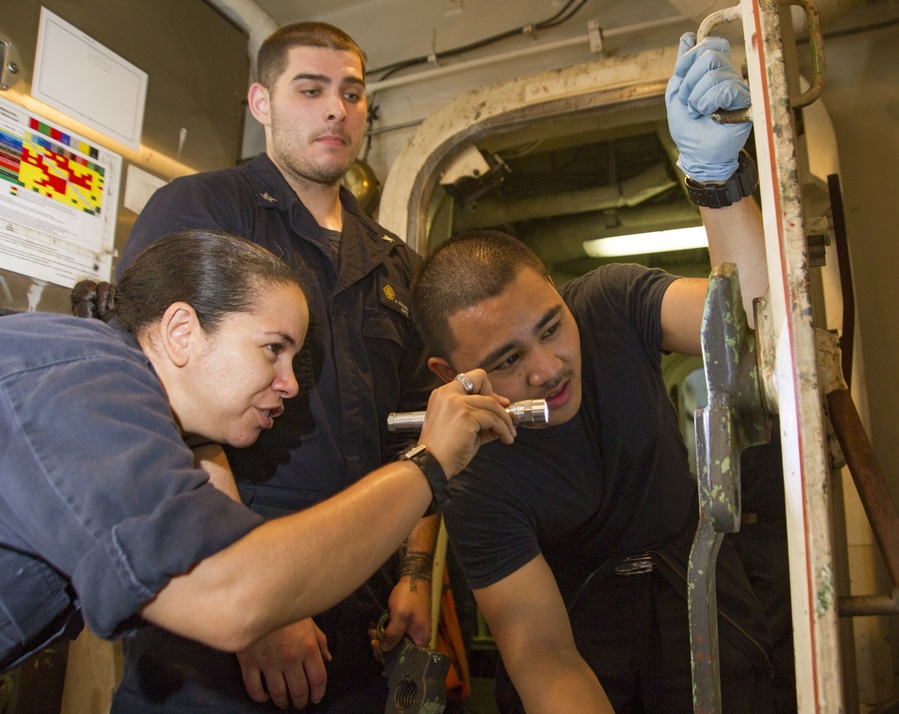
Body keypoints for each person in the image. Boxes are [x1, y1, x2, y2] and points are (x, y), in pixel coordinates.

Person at [409, 33, 774, 713]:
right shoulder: (474, 474)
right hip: (580, 622)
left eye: (551, 325)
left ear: (558, 289)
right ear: (450, 372)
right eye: (508, 360)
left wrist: (718, 184)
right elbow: (542, 653)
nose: (549, 368)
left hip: (697, 587)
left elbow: (752, 324)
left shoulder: (609, 301)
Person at [0, 230, 515, 677]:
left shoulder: (126, 409)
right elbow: (228, 593)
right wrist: (428, 464)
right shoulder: (84, 381)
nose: (290, 385)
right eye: (273, 349)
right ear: (181, 331)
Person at [111, 22, 440, 713]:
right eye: (311, 89)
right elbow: (151, 404)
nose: (335, 110)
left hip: (360, 628)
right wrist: (260, 601)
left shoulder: (392, 261)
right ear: (261, 102)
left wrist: (415, 573)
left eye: (352, 94)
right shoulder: (203, 211)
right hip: (214, 641)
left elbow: (418, 431)